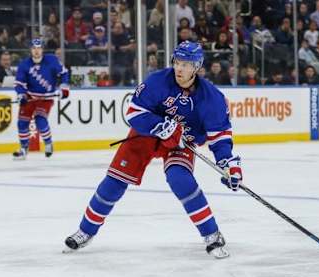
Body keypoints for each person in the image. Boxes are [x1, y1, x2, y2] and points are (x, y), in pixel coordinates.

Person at [64, 41, 243, 259]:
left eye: (186, 64)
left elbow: (220, 137)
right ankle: (85, 231)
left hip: (180, 142)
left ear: (196, 67)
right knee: (114, 181)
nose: (179, 68)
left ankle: (212, 234)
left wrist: (229, 165)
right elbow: (133, 112)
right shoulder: (158, 81)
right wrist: (161, 126)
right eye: (177, 62)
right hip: (146, 135)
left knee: (181, 179)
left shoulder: (212, 98)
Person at [13, 39, 70, 160]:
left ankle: (48, 143)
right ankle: (23, 149)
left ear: (42, 49)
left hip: (46, 98)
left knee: (40, 119)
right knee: (22, 122)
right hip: (30, 97)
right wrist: (21, 95)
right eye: (34, 48)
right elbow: (19, 84)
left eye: (39, 48)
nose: (36, 51)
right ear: (30, 50)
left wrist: (64, 87)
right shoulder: (24, 65)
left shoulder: (52, 60)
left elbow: (64, 73)